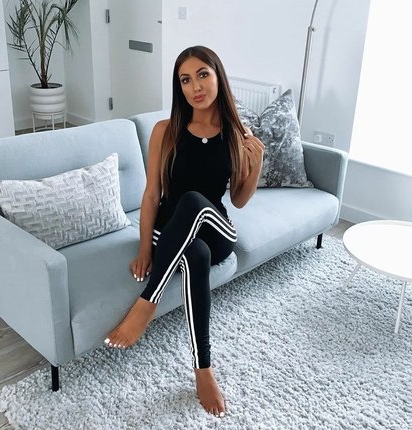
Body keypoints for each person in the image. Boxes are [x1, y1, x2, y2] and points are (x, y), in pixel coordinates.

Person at [104, 45, 264, 418]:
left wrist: (256, 163)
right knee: (195, 253)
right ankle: (203, 368)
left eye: (203, 75)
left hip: (216, 228)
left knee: (194, 202)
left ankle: (147, 302)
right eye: (186, 80)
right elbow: (151, 195)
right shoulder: (166, 131)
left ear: (218, 76)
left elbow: (238, 200)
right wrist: (145, 250)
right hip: (171, 232)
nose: (196, 86)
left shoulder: (235, 134)